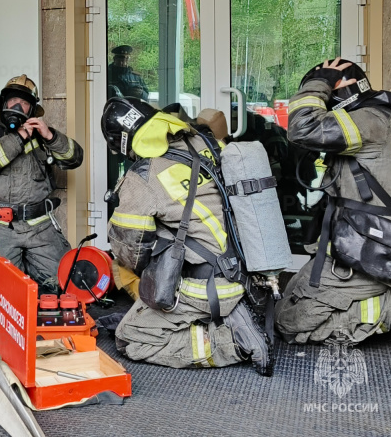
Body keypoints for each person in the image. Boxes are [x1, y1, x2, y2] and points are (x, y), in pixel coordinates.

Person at [101, 97, 273, 375]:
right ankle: (230, 313)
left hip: (203, 287)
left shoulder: (143, 175)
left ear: (123, 143)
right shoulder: (203, 143)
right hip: (244, 271)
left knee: (130, 338)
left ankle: (232, 342)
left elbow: (129, 252)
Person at [275, 58, 391, 351]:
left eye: (328, 93)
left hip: (369, 249)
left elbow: (302, 128)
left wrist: (321, 81)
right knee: (288, 295)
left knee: (288, 323)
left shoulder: (370, 120)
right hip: (365, 239)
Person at [0, 75, 83, 292]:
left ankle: (30, 268)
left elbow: (75, 158)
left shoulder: (42, 136)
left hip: (39, 227)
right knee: (0, 287)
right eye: (14, 100)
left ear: (32, 110)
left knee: (64, 283)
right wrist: (19, 137)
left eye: (25, 103)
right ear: (4, 104)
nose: (18, 106)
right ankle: (20, 270)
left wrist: (50, 136)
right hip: (0, 226)